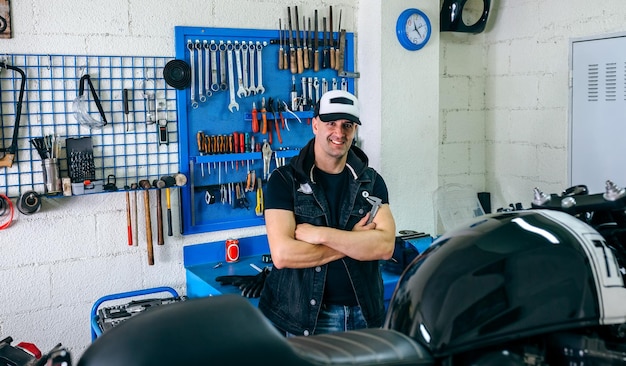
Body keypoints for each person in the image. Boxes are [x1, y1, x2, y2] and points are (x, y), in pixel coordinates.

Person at [258, 90, 396, 337]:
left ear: (354, 131)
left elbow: (385, 247)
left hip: (364, 313)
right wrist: (354, 241)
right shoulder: (284, 181)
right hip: (307, 319)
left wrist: (319, 234)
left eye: (347, 125)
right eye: (330, 123)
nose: (339, 133)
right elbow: (283, 255)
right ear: (314, 125)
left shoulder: (371, 182)